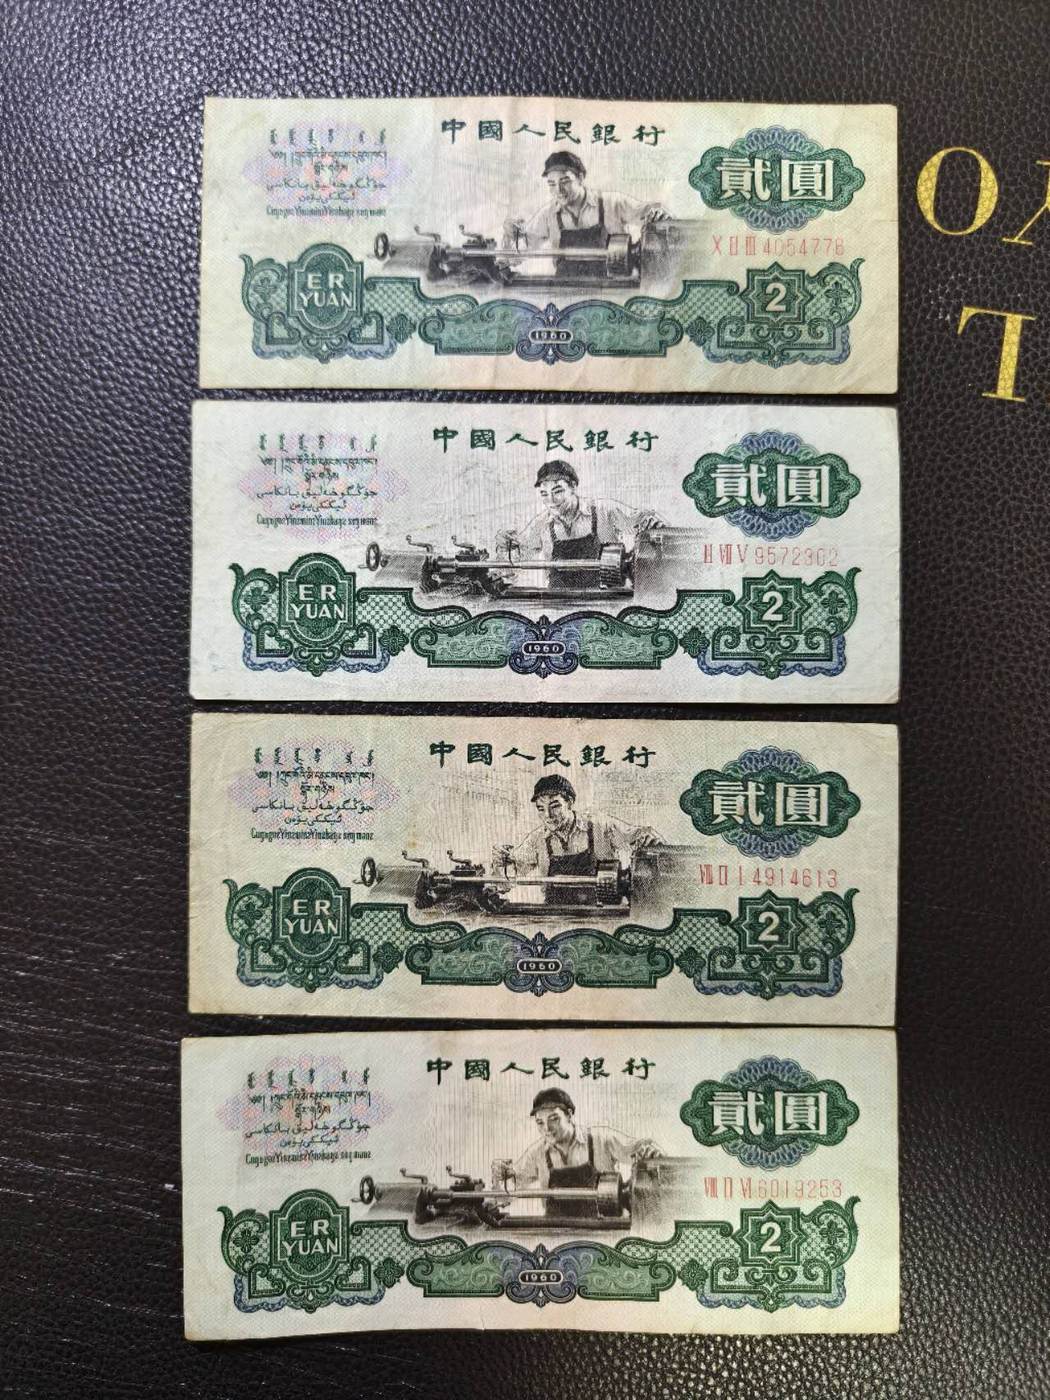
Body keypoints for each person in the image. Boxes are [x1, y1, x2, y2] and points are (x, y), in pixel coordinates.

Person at [492, 774, 662, 906]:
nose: (548, 816)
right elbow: (507, 880)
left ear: (570, 803)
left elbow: (643, 836)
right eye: (541, 809)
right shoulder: (537, 839)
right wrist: (501, 864)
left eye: (555, 806)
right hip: (554, 916)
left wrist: (650, 842)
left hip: (604, 915)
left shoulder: (601, 827)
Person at [495, 459, 663, 592]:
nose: (551, 501)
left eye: (558, 491)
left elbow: (645, 522)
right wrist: (506, 546)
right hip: (558, 600)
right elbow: (515, 562)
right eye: (544, 494)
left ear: (573, 487)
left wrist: (655, 529)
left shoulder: (604, 510)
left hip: (607, 599)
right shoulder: (541, 524)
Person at [493, 1088, 662, 1220]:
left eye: (554, 1119)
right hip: (556, 1233)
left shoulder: (601, 1139)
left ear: (569, 1115)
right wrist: (500, 1178)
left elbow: (643, 1150)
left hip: (606, 1231)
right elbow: (508, 1192)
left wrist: (650, 1154)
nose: (547, 1129)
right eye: (540, 1122)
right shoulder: (537, 1153)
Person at [502, 150, 670, 278]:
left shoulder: (612, 203)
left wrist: (659, 216)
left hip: (614, 291)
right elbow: (519, 253)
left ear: (580, 178)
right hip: (565, 291)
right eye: (552, 184)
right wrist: (512, 235)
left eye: (565, 181)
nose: (558, 190)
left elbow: (653, 213)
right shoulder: (548, 214)